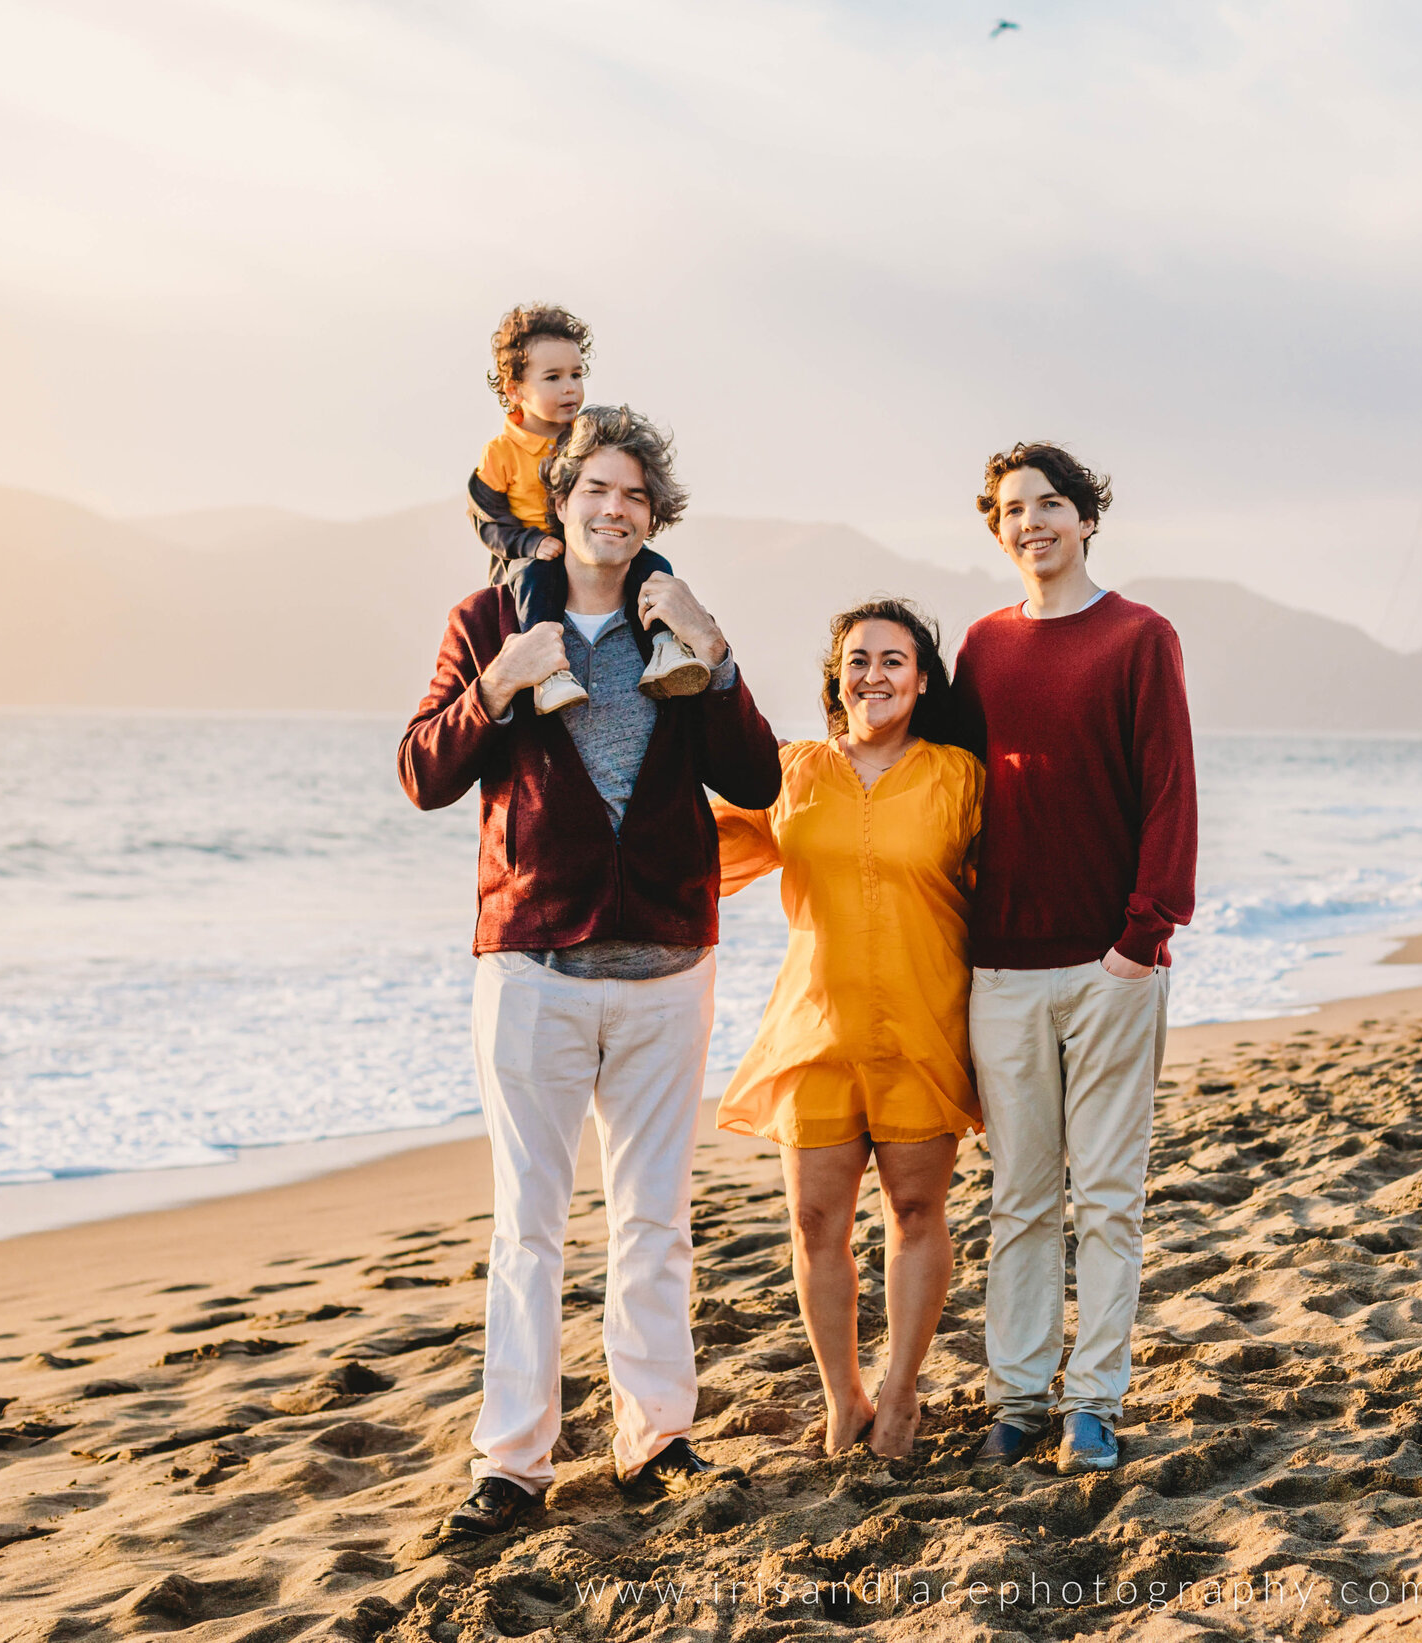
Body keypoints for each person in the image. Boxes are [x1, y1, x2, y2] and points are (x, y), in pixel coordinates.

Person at [399, 404, 781, 1539]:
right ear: (558, 503)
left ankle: (654, 1438)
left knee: (653, 1219)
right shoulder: (487, 619)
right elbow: (423, 771)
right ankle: (511, 1460)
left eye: (634, 496)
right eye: (594, 491)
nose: (613, 511)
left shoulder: (681, 624)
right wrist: (500, 681)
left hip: (668, 960)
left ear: (655, 515)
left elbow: (756, 777)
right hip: (533, 962)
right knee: (527, 1223)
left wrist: (711, 653)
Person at [952, 442, 1197, 1476]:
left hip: (1109, 966)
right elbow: (946, 796)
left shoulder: (1140, 637)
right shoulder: (978, 647)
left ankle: (1092, 1400)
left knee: (1105, 1194)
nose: (1030, 522)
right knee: (1019, 1197)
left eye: (1049, 503)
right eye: (1012, 509)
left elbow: (1168, 791)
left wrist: (1139, 941)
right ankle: (1016, 1395)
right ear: (996, 528)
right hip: (999, 969)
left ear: (1087, 519)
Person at [712, 600, 984, 1462]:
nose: (874, 675)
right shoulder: (790, 772)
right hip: (814, 1032)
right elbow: (694, 856)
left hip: (923, 1025)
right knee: (813, 1222)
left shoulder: (959, 777)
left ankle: (900, 1393)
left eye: (893, 660)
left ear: (923, 677)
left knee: (914, 1210)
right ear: (836, 675)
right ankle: (844, 1397)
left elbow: (1015, 885)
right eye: (858, 659)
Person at [466, 305, 705, 715]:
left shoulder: (584, 439)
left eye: (577, 375)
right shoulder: (500, 453)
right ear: (515, 390)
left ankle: (666, 649)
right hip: (528, 556)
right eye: (553, 378)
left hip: (583, 551)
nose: (570, 389)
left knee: (655, 563)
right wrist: (530, 543)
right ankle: (549, 674)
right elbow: (485, 518)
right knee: (537, 583)